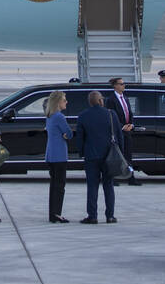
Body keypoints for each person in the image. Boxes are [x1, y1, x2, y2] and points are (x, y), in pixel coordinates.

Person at [75, 90, 121, 224]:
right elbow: (119, 135)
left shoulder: (83, 116)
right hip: (109, 156)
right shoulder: (111, 115)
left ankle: (92, 215)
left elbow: (80, 138)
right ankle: (110, 216)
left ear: (90, 102)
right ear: (101, 101)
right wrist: (121, 153)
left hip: (91, 155)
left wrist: (82, 152)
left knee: (92, 186)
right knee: (108, 185)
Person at [44, 91, 72, 223]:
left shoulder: (50, 116)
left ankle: (53, 213)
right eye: (64, 100)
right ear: (58, 102)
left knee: (54, 185)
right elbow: (69, 133)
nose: (66, 102)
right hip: (59, 155)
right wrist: (66, 135)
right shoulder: (59, 117)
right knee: (60, 186)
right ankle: (57, 213)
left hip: (51, 154)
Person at [106, 77, 140, 186]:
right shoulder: (111, 100)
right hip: (117, 132)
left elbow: (129, 113)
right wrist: (121, 127)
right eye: (121, 84)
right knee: (117, 155)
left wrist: (131, 124)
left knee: (128, 155)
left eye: (123, 84)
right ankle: (114, 178)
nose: (123, 85)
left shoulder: (124, 98)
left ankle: (131, 177)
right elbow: (111, 116)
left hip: (127, 131)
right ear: (115, 86)